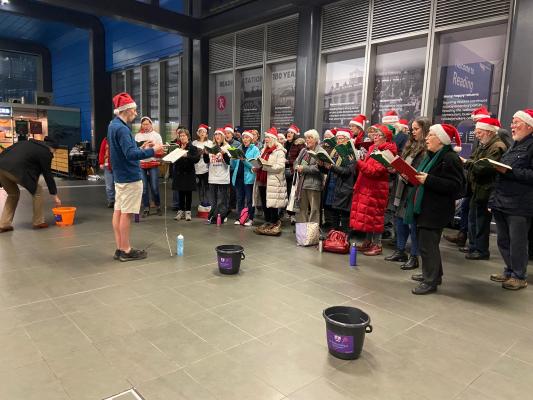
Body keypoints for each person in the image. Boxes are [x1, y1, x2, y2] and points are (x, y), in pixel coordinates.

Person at [404, 124, 464, 294]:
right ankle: (434, 274)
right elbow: (421, 178)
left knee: (428, 246)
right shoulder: (431, 156)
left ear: (441, 139)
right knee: (428, 245)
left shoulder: (450, 158)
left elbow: (457, 186)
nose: (427, 138)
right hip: (426, 207)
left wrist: (429, 180)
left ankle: (430, 282)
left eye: (430, 135)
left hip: (436, 210)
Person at [107, 92, 164, 261]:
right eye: (134, 110)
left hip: (120, 176)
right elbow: (130, 154)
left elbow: (124, 150)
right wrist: (153, 150)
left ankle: (119, 247)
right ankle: (126, 250)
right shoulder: (123, 129)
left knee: (118, 211)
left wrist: (142, 146)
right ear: (127, 110)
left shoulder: (113, 125)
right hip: (130, 176)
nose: (136, 113)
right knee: (126, 214)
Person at [488, 109, 533, 290]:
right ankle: (509, 271)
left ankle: (519, 276)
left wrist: (510, 171)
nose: (512, 126)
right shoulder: (514, 145)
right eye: (512, 122)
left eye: (516, 122)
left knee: (518, 242)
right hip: (502, 202)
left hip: (520, 205)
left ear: (529, 125)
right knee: (503, 240)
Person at [385, 117, 430, 270]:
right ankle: (400, 250)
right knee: (399, 220)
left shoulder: (426, 149)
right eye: (412, 128)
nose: (413, 131)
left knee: (412, 224)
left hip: (413, 190)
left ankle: (414, 256)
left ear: (425, 130)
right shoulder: (410, 145)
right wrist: (394, 169)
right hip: (401, 187)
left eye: (416, 129)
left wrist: (407, 174)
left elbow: (420, 171)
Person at [460, 117, 507, 260]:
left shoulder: (497, 146)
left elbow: (484, 168)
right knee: (473, 219)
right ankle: (474, 246)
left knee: (481, 222)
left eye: (479, 132)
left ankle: (481, 250)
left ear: (489, 132)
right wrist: (471, 163)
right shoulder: (484, 145)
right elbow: (476, 161)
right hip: (478, 188)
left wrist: (467, 163)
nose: (476, 134)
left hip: (487, 189)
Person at [444, 107, 491, 246]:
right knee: (466, 209)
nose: (476, 127)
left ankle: (474, 243)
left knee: (477, 215)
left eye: (479, 122)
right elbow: (475, 156)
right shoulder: (480, 138)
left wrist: (468, 162)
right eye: (475, 123)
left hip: (482, 183)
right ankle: (464, 236)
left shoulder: (497, 138)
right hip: (473, 179)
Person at [350, 124, 397, 256]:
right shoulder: (372, 149)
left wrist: (359, 162)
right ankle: (368, 242)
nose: (375, 137)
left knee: (375, 217)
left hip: (377, 189)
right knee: (368, 217)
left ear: (386, 138)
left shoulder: (387, 151)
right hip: (367, 187)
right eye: (374, 135)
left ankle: (377, 245)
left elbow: (374, 171)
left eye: (378, 135)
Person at [0, 136, 61, 232]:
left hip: (1, 167)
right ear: (52, 147)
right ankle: (38, 222)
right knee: (38, 191)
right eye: (55, 150)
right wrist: (55, 196)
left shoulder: (27, 143)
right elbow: (47, 174)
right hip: (15, 170)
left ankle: (4, 224)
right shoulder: (46, 152)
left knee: (13, 194)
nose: (54, 153)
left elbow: (6, 152)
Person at [319, 128, 359, 233]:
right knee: (334, 213)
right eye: (337, 139)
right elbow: (328, 171)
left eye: (341, 139)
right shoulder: (334, 152)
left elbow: (348, 171)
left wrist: (332, 167)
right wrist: (322, 165)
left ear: (347, 140)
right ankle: (334, 236)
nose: (338, 141)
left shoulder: (351, 153)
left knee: (344, 215)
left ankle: (345, 240)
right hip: (333, 185)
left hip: (344, 187)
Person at [253, 128, 287, 235]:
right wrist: (255, 167)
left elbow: (280, 166)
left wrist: (265, 167)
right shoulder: (263, 150)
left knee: (272, 203)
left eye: (268, 137)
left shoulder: (279, 151)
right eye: (266, 137)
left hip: (273, 180)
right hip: (262, 179)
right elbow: (260, 162)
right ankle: (267, 221)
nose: (266, 139)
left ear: (273, 139)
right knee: (264, 202)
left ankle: (274, 222)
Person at [294, 129, 325, 224]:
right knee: (302, 210)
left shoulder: (320, 151)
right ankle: (303, 233)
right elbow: (296, 162)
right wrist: (297, 166)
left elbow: (317, 168)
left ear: (316, 139)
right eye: (306, 138)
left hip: (314, 185)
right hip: (302, 184)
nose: (307, 140)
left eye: (310, 138)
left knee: (314, 210)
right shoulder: (304, 150)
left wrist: (303, 168)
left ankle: (312, 235)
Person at [135, 116, 163, 217]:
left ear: (151, 124)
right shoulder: (137, 136)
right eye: (143, 124)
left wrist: (153, 147)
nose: (145, 126)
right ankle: (146, 207)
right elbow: (135, 151)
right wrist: (142, 147)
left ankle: (158, 205)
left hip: (153, 163)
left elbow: (161, 150)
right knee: (144, 188)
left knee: (155, 187)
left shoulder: (157, 135)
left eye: (147, 124)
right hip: (141, 164)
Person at [231, 130, 260, 226]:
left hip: (249, 177)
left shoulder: (255, 149)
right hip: (239, 176)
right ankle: (240, 217)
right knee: (239, 198)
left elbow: (254, 166)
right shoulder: (238, 148)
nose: (245, 139)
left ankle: (250, 218)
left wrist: (244, 160)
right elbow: (233, 165)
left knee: (249, 199)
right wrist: (233, 159)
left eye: (247, 137)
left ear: (251, 139)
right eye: (243, 137)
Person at [172, 128, 201, 221]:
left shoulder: (192, 147)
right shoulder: (177, 147)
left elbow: (196, 159)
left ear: (188, 136)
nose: (182, 137)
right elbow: (174, 160)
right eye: (180, 136)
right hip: (179, 173)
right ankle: (180, 211)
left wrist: (187, 155)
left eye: (184, 135)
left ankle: (188, 212)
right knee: (180, 193)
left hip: (189, 173)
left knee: (188, 193)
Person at [204, 128, 231, 224]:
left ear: (223, 136)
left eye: (219, 135)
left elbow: (228, 163)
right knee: (213, 200)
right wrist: (205, 154)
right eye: (215, 135)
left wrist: (224, 154)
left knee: (222, 200)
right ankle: (212, 216)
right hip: (212, 176)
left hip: (223, 177)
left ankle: (220, 217)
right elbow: (207, 161)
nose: (217, 136)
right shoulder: (211, 146)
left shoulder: (227, 147)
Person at [284, 124, 305, 225]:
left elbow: (300, 159)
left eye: (291, 132)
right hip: (284, 171)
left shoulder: (299, 145)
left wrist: (288, 161)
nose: (289, 134)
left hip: (293, 172)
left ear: (295, 135)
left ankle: (293, 215)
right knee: (287, 193)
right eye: (288, 132)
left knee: (293, 194)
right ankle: (289, 213)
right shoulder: (284, 144)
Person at [192, 124, 212, 208]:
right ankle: (201, 202)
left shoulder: (210, 142)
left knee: (206, 185)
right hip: (197, 167)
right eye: (200, 132)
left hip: (207, 167)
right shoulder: (194, 143)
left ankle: (207, 201)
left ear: (206, 134)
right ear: (198, 133)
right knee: (199, 185)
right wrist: (198, 153)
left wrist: (206, 153)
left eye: (204, 132)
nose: (202, 133)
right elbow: (192, 154)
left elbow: (212, 154)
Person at [98, 136, 115, 208]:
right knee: (109, 186)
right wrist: (101, 162)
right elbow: (101, 151)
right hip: (107, 166)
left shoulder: (119, 138)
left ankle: (119, 201)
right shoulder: (105, 139)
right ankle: (111, 200)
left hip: (117, 166)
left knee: (119, 186)